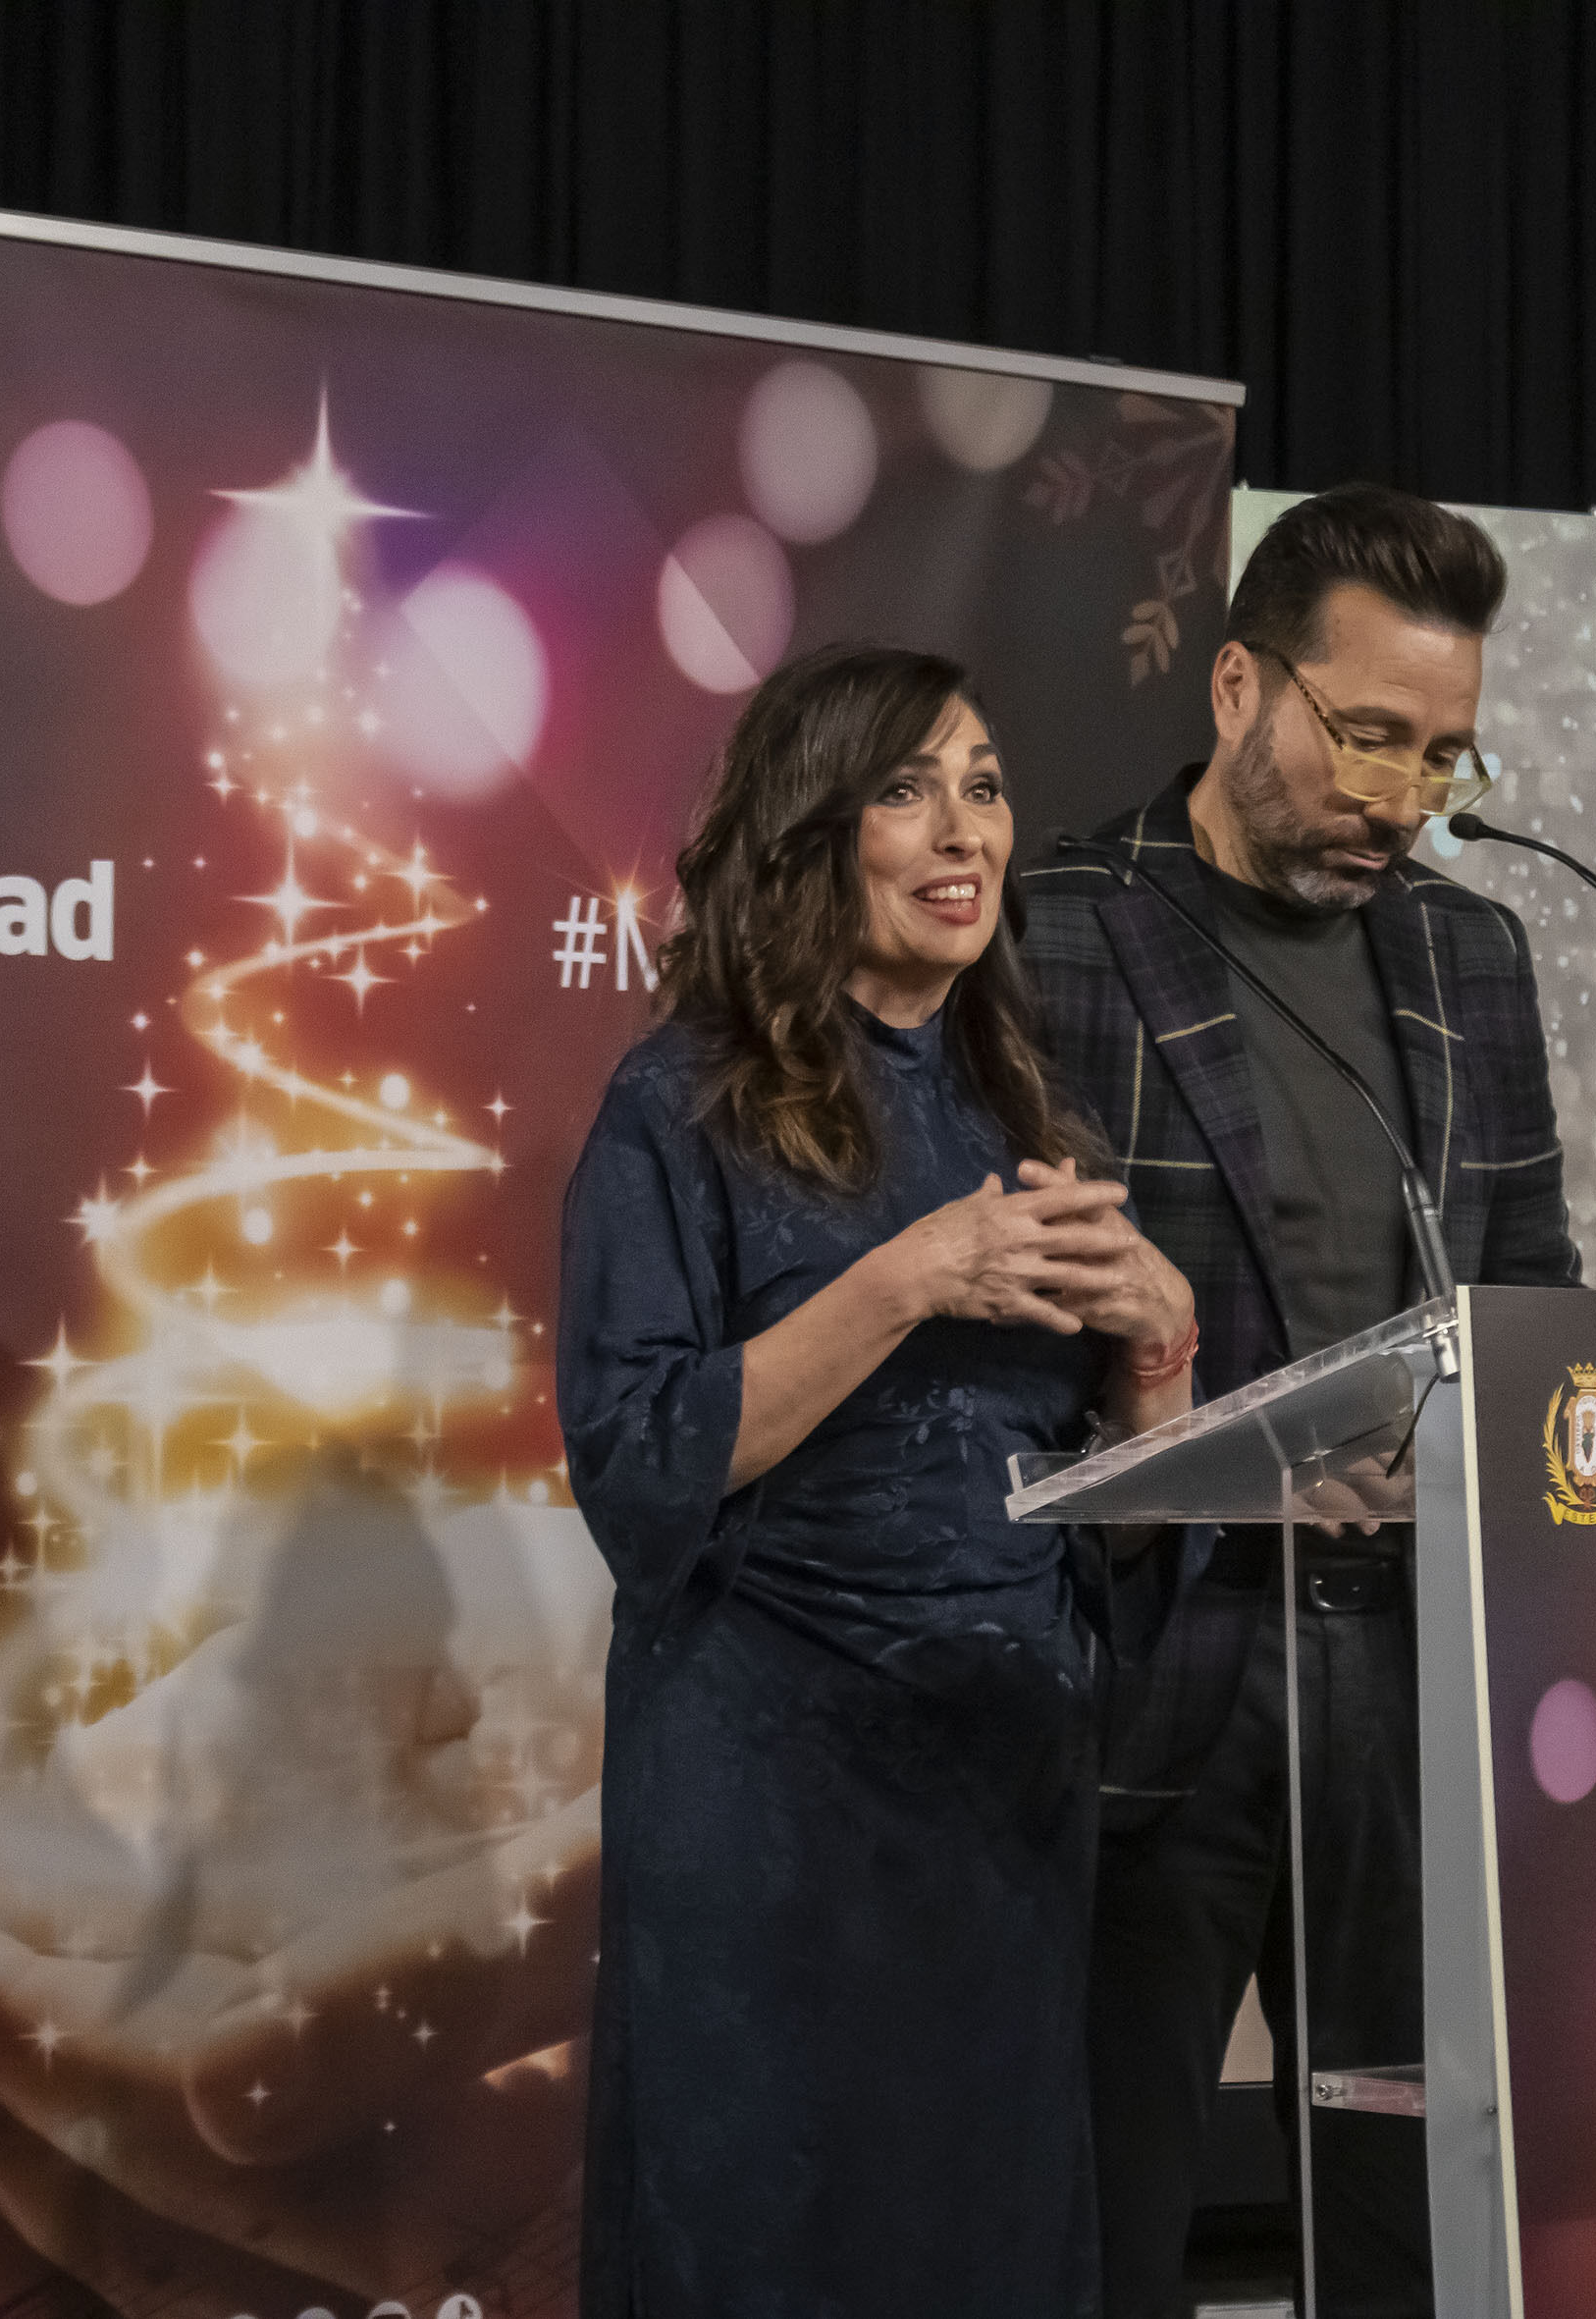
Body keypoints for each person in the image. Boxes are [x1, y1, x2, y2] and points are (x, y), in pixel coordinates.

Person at [556, 642, 1200, 2315]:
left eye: (984, 786)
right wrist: (908, 1278)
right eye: (908, 790)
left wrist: (1159, 1357)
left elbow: (1109, 1529)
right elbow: (640, 1460)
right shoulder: (679, 1102)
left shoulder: (1032, 1115)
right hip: (769, 1819)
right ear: (812, 828)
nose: (964, 830)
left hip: (1001, 1810)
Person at [1019, 483, 1581, 2318]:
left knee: (1407, 2221)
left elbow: (1536, 1286)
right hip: (1163, 1660)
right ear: (1239, 686)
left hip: (1407, 1678)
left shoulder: (1472, 957)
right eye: (1366, 734)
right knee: (1107, 2209)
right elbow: (994, 1342)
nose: (1403, 796)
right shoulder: (1056, 928)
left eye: (1443, 753)